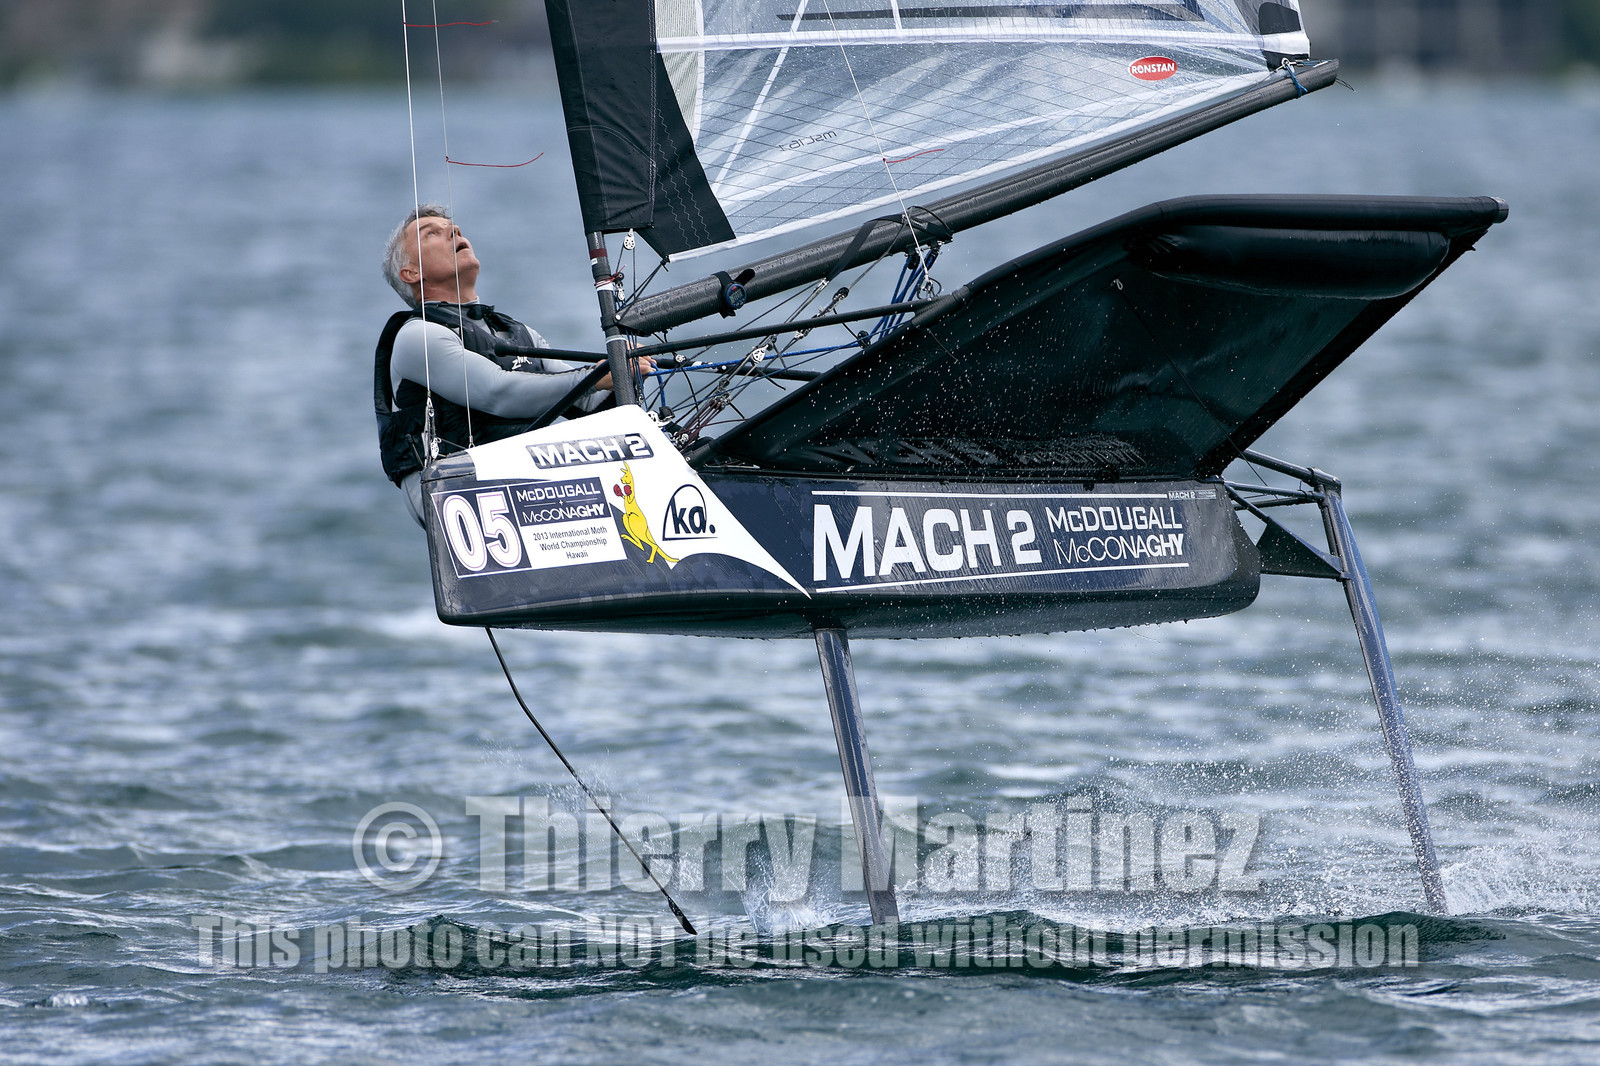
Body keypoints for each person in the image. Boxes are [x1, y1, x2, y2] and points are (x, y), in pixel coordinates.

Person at [374, 204, 652, 525]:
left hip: (528, 485)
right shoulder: (416, 337)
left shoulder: (517, 333)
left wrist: (629, 374)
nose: (455, 232)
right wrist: (604, 374)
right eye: (431, 234)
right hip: (456, 495)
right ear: (411, 273)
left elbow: (589, 400)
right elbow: (497, 393)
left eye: (455, 228)